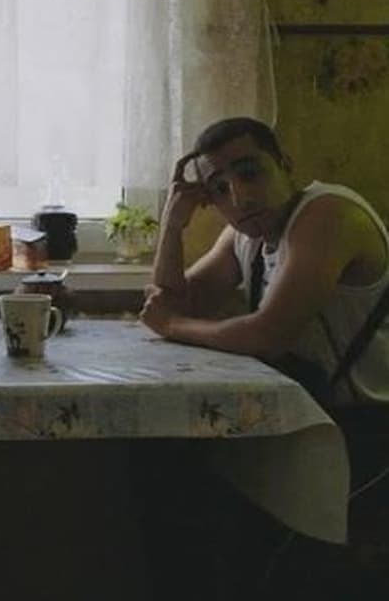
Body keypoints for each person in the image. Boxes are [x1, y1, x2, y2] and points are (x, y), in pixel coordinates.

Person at [140, 116, 389, 411]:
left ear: (285, 165)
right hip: (312, 409)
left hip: (368, 420)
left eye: (249, 173)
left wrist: (171, 325)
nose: (240, 199)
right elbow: (171, 303)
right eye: (220, 188)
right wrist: (172, 224)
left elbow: (268, 336)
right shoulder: (245, 235)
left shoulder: (329, 213)